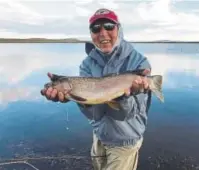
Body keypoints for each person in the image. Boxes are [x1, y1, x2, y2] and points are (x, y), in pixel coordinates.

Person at [41, 8, 152, 170]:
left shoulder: (139, 63)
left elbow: (129, 114)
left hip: (125, 141)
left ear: (118, 29)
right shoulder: (87, 64)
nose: (103, 33)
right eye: (96, 28)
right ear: (91, 33)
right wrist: (73, 98)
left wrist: (122, 96)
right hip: (100, 136)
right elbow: (95, 114)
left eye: (108, 26)